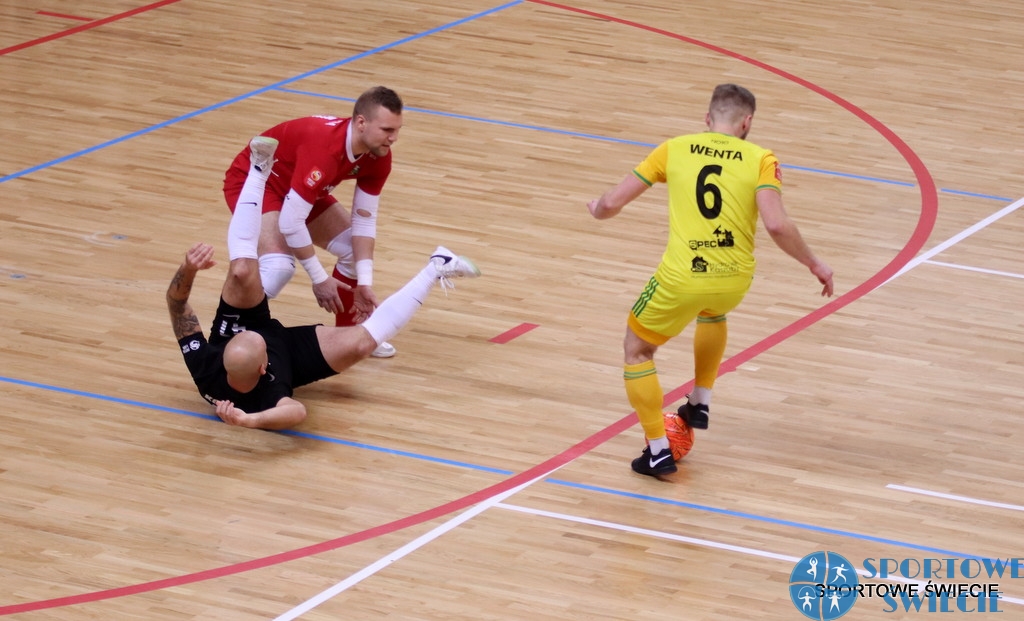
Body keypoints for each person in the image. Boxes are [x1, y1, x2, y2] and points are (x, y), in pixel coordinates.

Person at [587, 83, 834, 477]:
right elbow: (776, 223)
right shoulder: (761, 158)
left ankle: (656, 450)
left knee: (637, 350)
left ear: (707, 119)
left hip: (683, 277)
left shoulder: (674, 148)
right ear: (747, 122)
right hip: (734, 279)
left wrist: (597, 209)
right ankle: (700, 402)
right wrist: (814, 262)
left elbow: (612, 203)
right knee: (712, 313)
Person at [168, 138, 482, 430]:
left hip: (243, 317)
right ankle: (435, 268)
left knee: (241, 271)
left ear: (222, 355)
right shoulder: (268, 394)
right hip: (291, 355)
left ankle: (259, 169)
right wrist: (251, 420)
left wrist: (189, 268)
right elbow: (296, 412)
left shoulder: (205, 367)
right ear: (264, 367)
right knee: (362, 343)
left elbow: (176, 304)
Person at [222, 85, 405, 358]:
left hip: (303, 188)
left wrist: (364, 282)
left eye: (397, 130)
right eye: (387, 130)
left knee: (354, 253)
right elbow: (290, 223)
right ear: (361, 123)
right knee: (279, 268)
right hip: (258, 182)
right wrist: (319, 278)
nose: (393, 138)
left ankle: (350, 334)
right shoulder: (325, 149)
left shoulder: (378, 156)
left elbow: (364, 223)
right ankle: (227, 332)